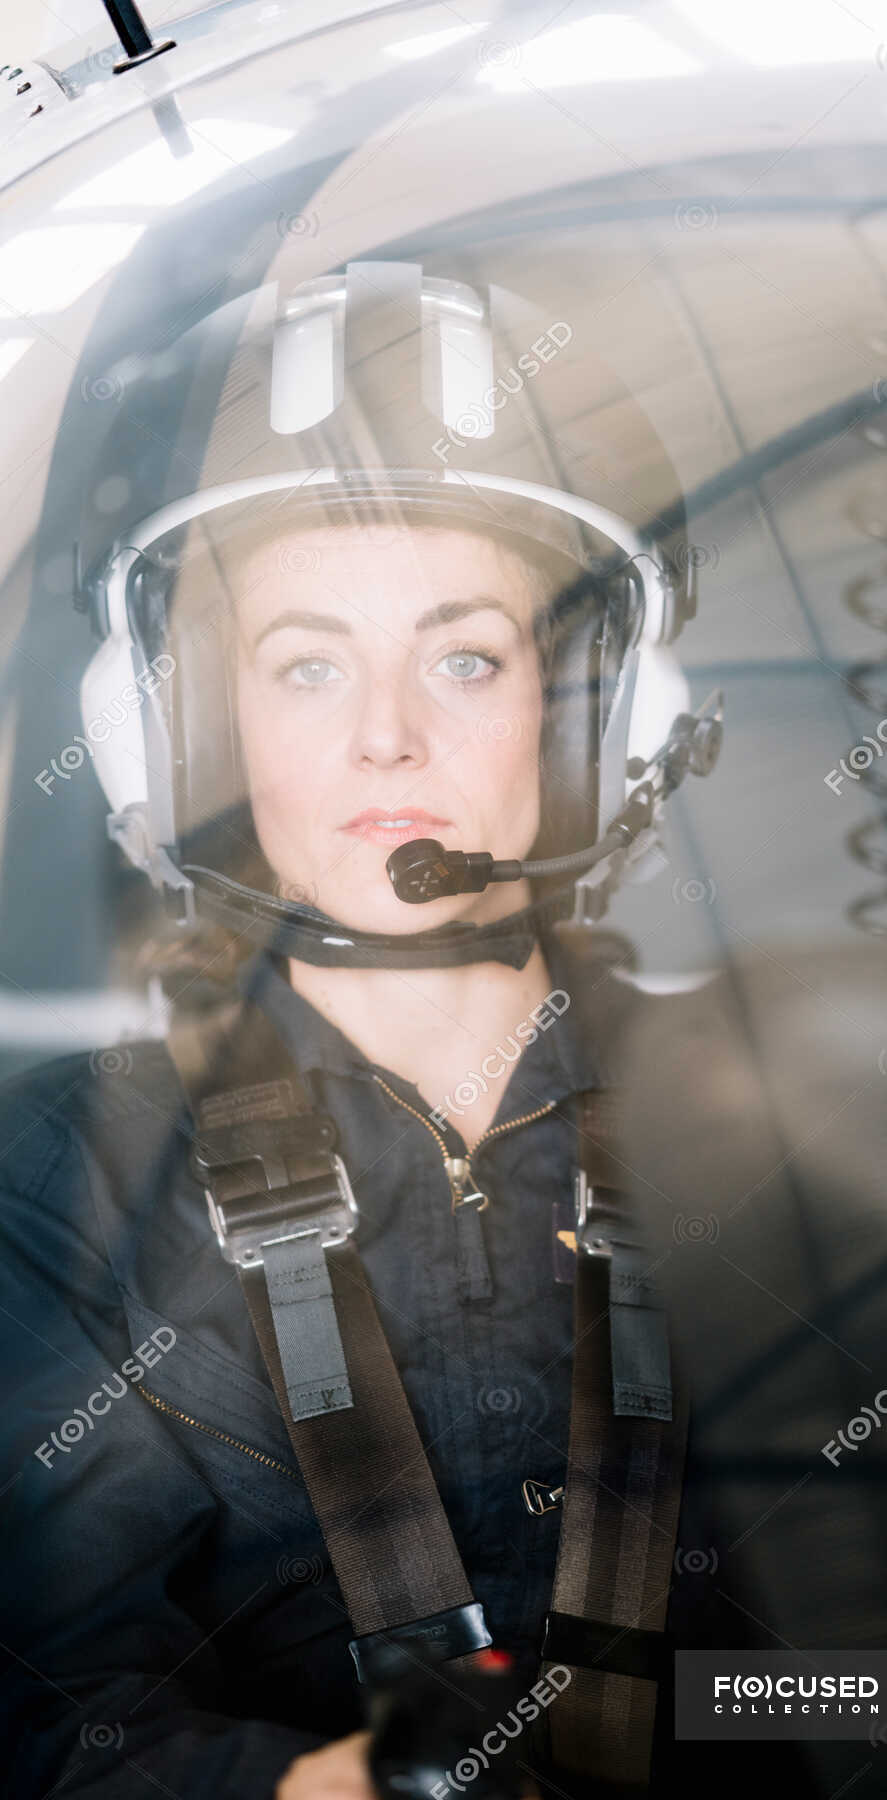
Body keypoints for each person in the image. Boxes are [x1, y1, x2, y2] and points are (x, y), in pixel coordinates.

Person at [0, 257, 723, 1800]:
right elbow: (41, 1722)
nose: (386, 732)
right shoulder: (50, 1183)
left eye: (465, 655)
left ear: (596, 714)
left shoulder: (769, 1126)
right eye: (306, 664)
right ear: (186, 722)